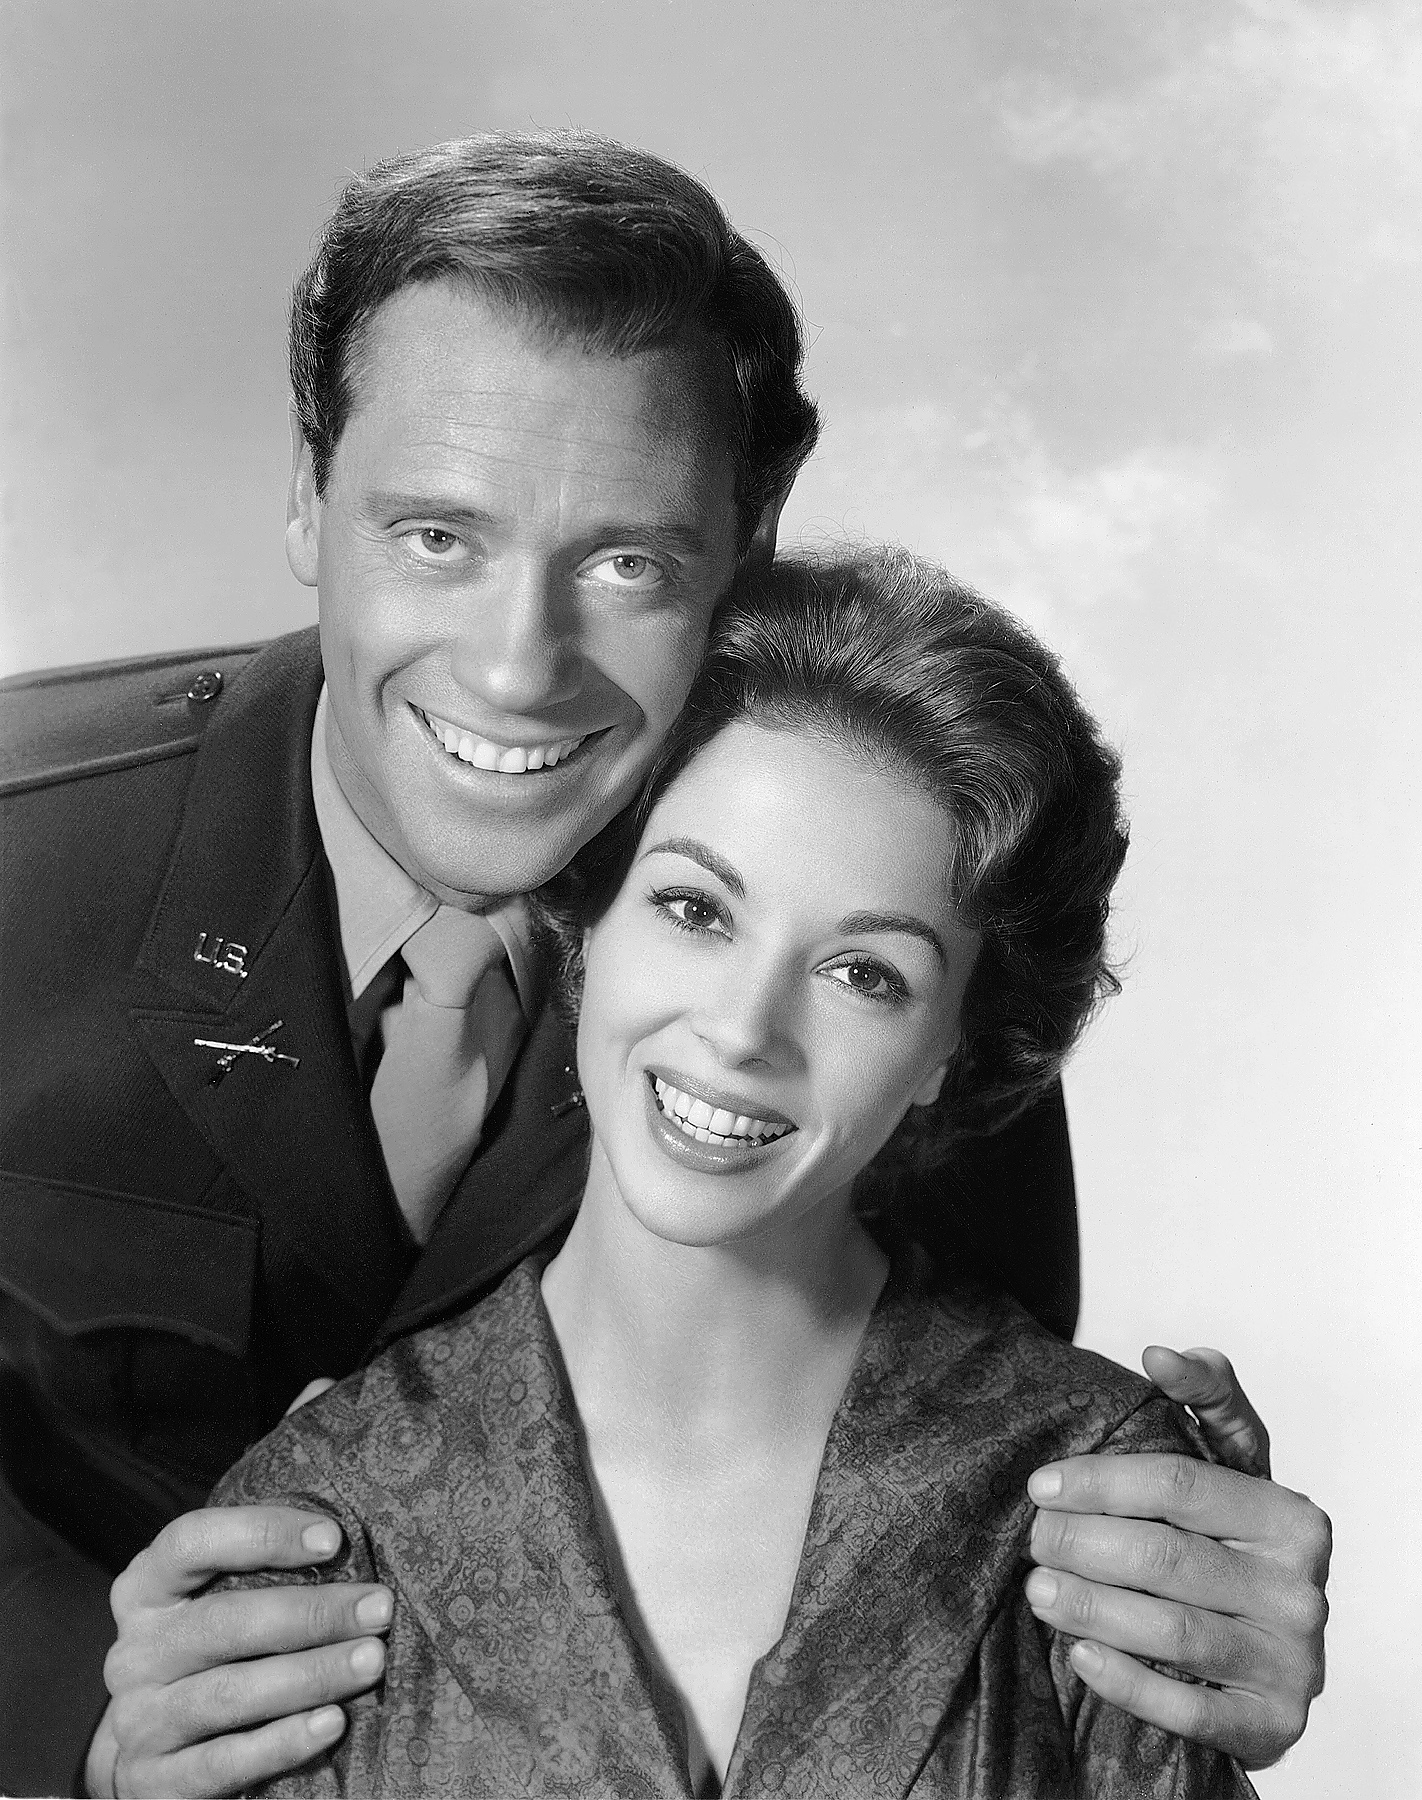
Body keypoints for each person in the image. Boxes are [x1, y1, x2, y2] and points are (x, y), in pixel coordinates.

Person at [0, 134, 1329, 1798]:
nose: (516, 667)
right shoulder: (22, 856)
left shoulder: (889, 934)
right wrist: (73, 1739)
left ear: (749, 546)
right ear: (305, 491)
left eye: (627, 562)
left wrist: (1176, 1618)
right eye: (437, 534)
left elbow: (948, 1506)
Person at [215, 548, 1253, 1797]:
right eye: (696, 910)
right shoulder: (323, 1513)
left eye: (865, 974)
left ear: (953, 1049)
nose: (744, 1030)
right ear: (589, 914)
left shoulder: (1102, 1514)